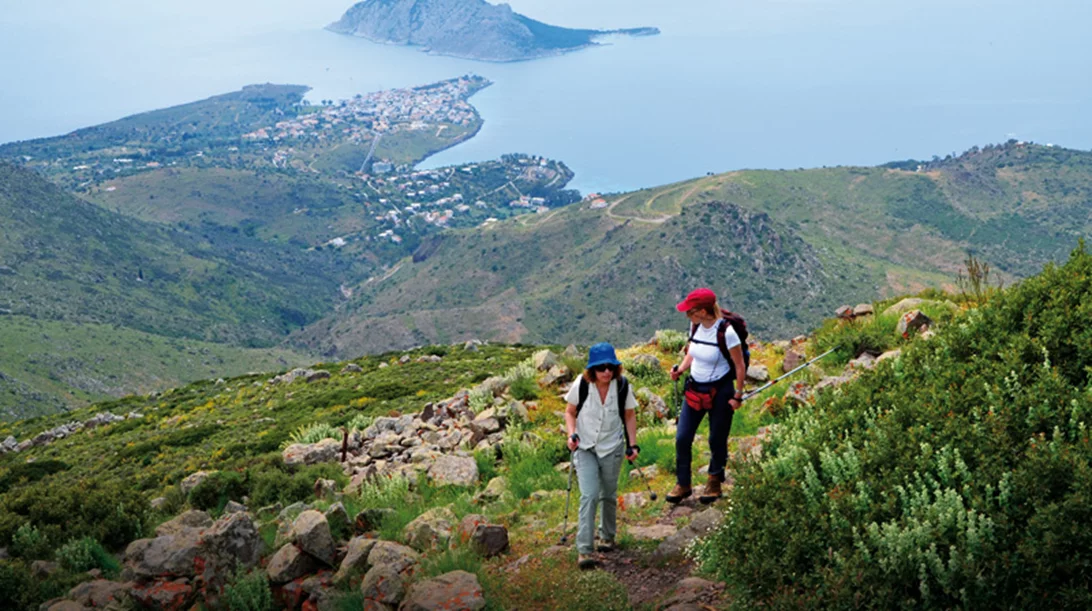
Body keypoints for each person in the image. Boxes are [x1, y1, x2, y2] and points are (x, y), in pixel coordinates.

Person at [564, 342, 639, 569]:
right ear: (592, 370)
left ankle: (607, 536)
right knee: (589, 495)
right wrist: (571, 434)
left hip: (612, 447)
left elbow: (629, 415)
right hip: (585, 447)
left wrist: (633, 445)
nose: (606, 371)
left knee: (608, 494)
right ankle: (584, 550)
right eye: (601, 367)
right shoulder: (582, 384)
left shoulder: (622, 385)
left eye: (610, 366)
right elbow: (569, 411)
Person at [668, 288, 747, 504]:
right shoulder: (695, 326)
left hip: (721, 391)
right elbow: (692, 353)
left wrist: (738, 395)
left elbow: (740, 366)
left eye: (690, 311)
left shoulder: (726, 333)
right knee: (682, 437)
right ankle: (683, 484)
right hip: (695, 389)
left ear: (703, 311)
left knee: (716, 438)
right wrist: (681, 370)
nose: (687, 315)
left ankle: (714, 481)